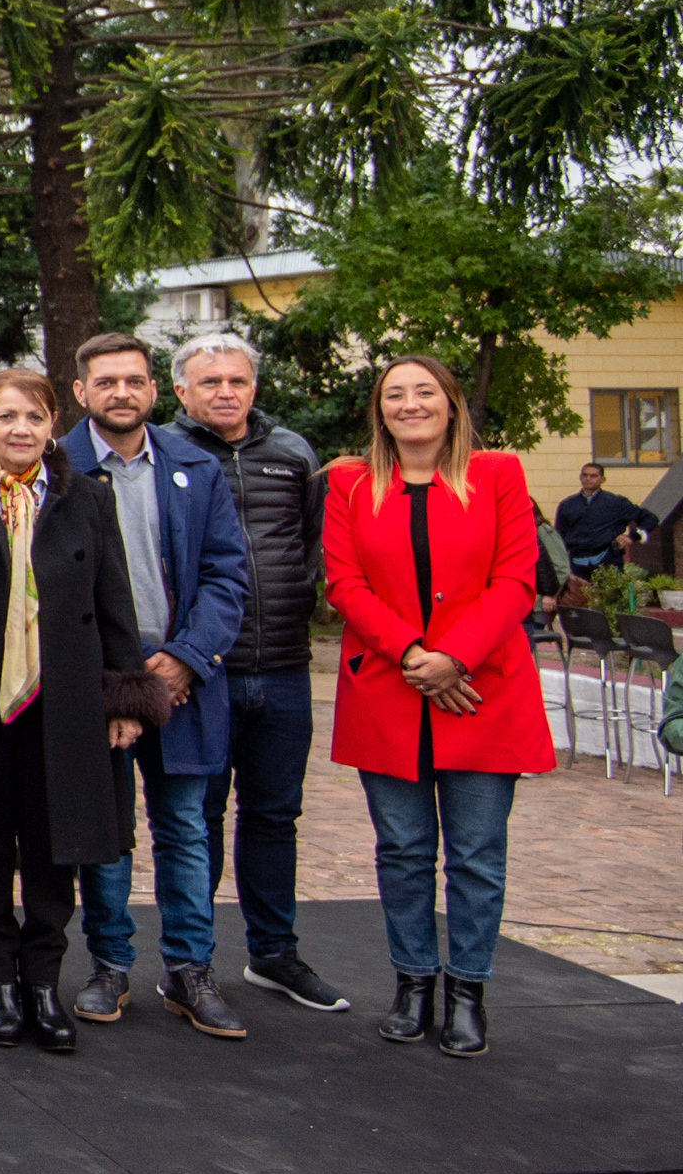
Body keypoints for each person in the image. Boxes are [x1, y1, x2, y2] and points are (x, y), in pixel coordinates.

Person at [0, 369, 159, 1058]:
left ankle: (43, 977)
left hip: (63, 699)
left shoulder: (88, 501)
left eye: (35, 417)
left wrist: (124, 695)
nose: (21, 429)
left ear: (52, 425)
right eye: (8, 415)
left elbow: (114, 600)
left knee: (54, 844)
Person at [324, 356, 554, 1058]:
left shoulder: (498, 475)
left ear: (451, 405)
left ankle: (467, 990)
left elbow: (518, 578)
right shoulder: (348, 482)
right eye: (395, 394)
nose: (410, 404)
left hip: (481, 688)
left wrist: (454, 656)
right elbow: (343, 581)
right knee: (402, 850)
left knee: (478, 855)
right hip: (390, 687)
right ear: (379, 409)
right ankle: (413, 981)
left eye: (425, 391)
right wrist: (415, 655)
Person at [61, 334, 252, 1041]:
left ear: (154, 390)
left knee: (185, 828)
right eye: (105, 380)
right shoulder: (57, 467)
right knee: (107, 832)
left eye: (133, 380)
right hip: (97, 678)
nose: (121, 392)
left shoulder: (196, 467)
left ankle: (190, 970)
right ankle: (109, 965)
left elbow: (227, 575)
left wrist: (186, 657)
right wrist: (113, 672)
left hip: (183, 676)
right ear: (80, 391)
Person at [170, 330, 346, 1014]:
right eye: (210, 381)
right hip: (201, 671)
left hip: (281, 666)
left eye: (237, 380)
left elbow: (309, 545)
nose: (225, 391)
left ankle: (274, 952)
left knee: (274, 814)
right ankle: (194, 960)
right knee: (198, 816)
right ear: (180, 388)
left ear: (254, 386)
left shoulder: (291, 452)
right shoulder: (169, 451)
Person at [555, 462, 653, 577]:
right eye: (585, 475)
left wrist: (631, 537)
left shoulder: (615, 503)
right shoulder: (567, 505)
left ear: (602, 479)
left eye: (593, 476)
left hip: (608, 561)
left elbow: (649, 519)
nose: (588, 479)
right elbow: (559, 535)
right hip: (577, 564)